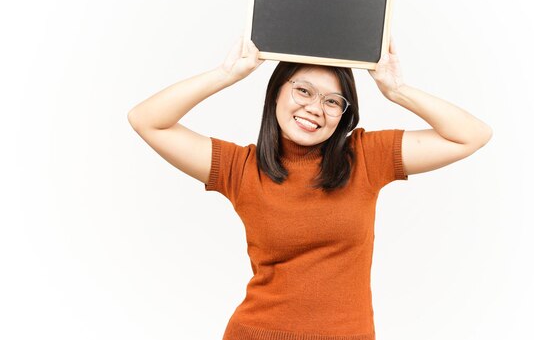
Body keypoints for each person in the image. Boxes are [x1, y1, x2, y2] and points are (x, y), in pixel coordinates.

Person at [128, 35, 492, 340]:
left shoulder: (365, 157)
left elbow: (471, 136)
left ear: (344, 115)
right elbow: (146, 120)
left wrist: (398, 90)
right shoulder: (240, 169)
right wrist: (226, 74)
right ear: (276, 94)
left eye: (332, 101)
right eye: (303, 91)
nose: (315, 108)